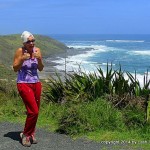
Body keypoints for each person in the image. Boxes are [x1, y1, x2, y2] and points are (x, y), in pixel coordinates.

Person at [13, 31, 44, 147]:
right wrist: (22, 59)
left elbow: (41, 68)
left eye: (32, 41)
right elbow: (15, 68)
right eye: (28, 41)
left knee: (36, 111)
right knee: (33, 111)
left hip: (36, 83)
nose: (31, 43)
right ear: (24, 43)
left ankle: (31, 134)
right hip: (23, 83)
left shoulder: (37, 50)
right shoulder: (20, 51)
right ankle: (26, 134)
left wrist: (39, 59)